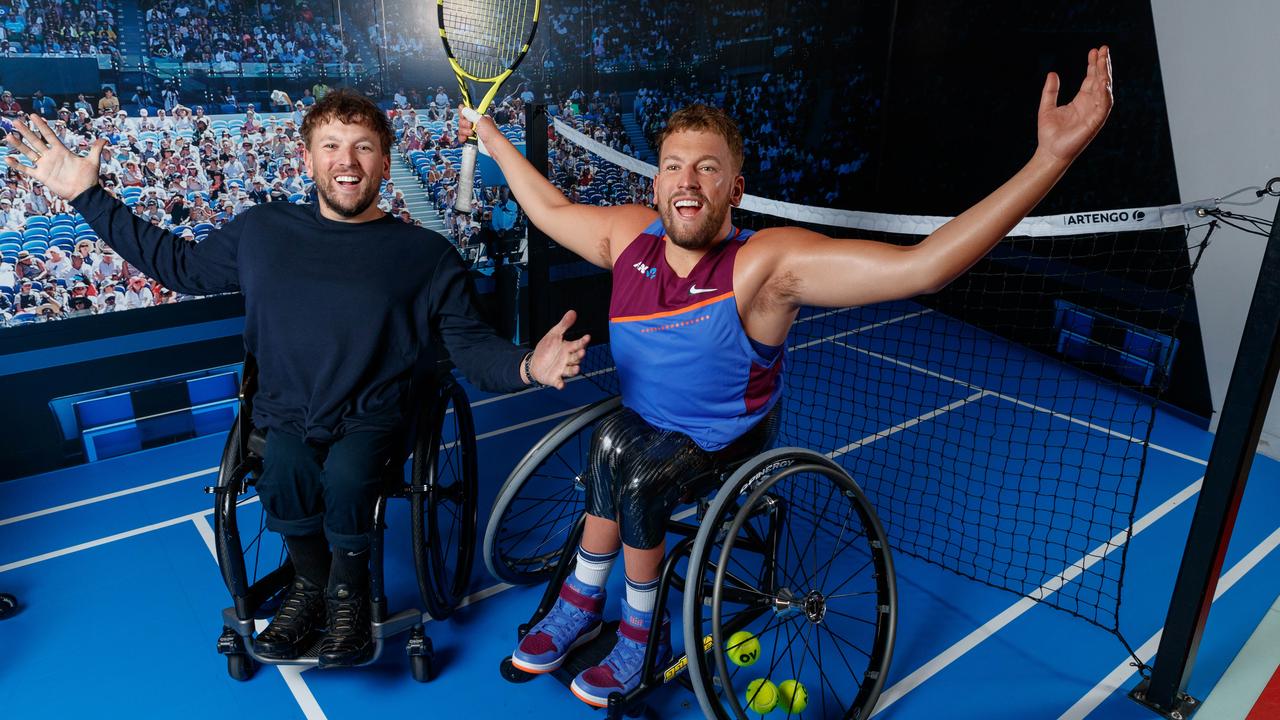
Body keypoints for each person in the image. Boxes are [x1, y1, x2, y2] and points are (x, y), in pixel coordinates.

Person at [460, 47, 1113, 706]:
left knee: (637, 473)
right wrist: (490, 136)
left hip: (725, 439)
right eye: (674, 168)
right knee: (608, 444)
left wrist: (1050, 160)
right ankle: (578, 603)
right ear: (655, 185)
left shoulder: (767, 266)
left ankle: (640, 636)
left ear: (735, 189)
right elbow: (546, 207)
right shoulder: (630, 238)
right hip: (643, 427)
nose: (688, 182)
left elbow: (924, 268)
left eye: (708, 169)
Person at [5, 89, 590, 668]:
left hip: (372, 418)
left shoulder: (427, 255)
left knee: (348, 474)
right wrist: (87, 195)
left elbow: (470, 349)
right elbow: (177, 267)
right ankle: (312, 588)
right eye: (331, 145)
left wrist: (526, 366)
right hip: (283, 413)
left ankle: (348, 598)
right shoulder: (263, 230)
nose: (347, 160)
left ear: (385, 163)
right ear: (307, 159)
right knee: (283, 470)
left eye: (363, 147)